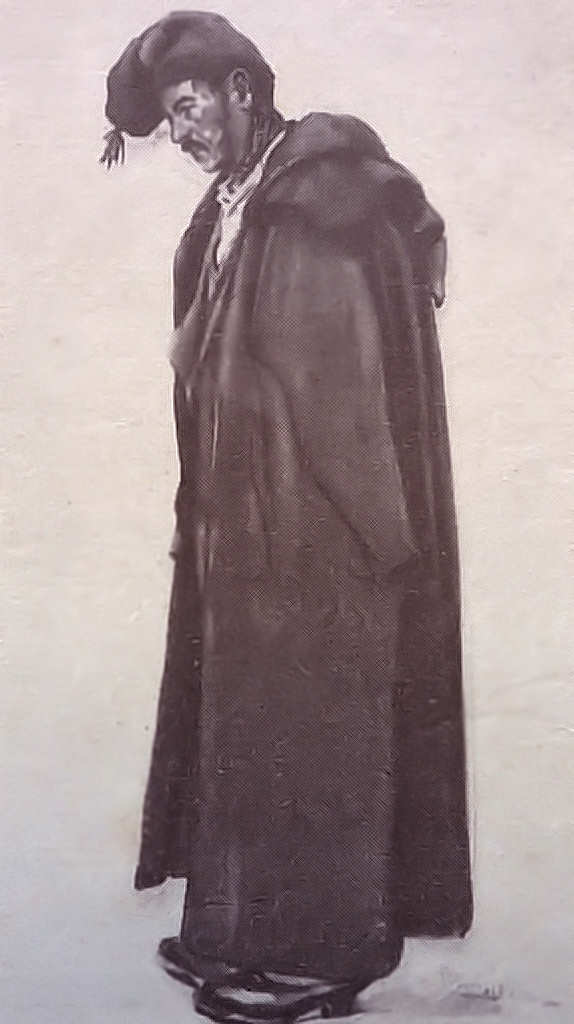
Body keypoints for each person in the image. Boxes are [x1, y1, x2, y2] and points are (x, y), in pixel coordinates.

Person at [101, 11, 472, 1021]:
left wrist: (375, 535)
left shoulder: (314, 197)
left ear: (240, 90)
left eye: (189, 108)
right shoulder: (239, 203)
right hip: (250, 530)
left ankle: (319, 958)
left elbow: (338, 382)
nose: (181, 133)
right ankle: (236, 934)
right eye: (169, 119)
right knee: (246, 734)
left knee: (315, 738)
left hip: (323, 531)